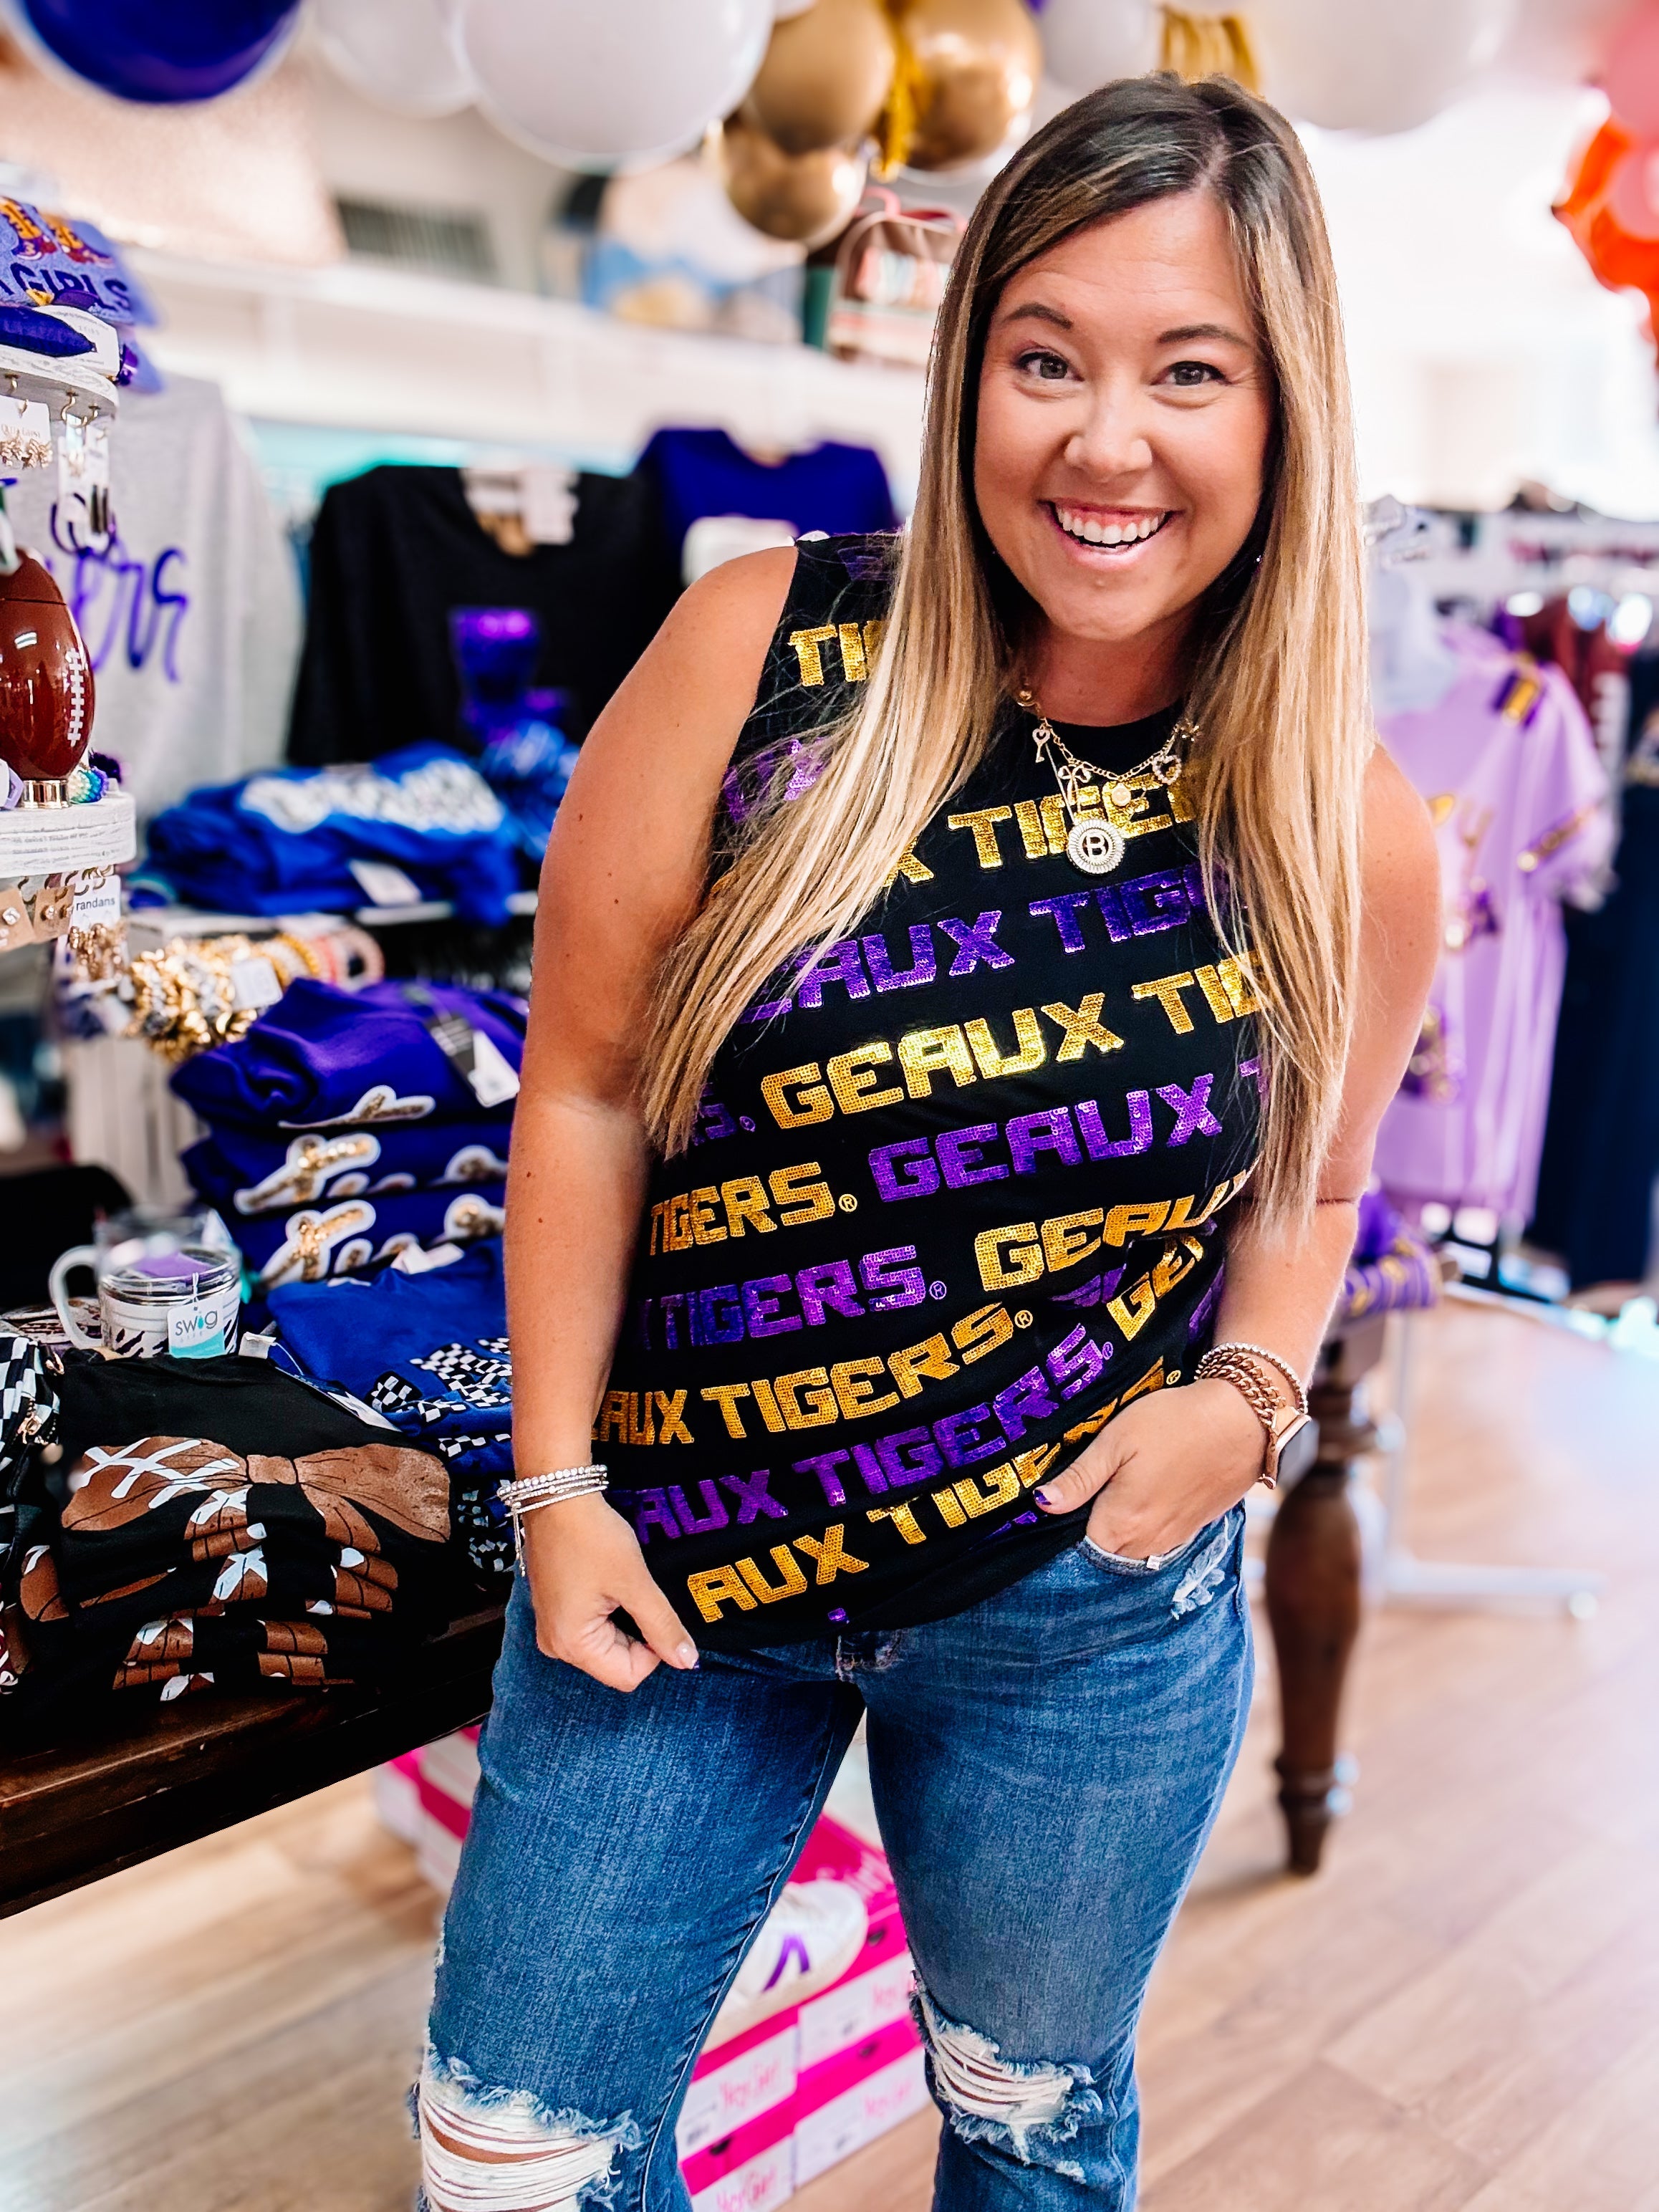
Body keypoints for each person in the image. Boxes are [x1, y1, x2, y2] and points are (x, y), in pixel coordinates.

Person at [416, 73, 1438, 2212]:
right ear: (968, 366)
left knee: (1031, 2130)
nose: (1102, 438)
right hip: (672, 1572)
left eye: (1188, 371)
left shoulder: (1341, 818)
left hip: (1082, 1605)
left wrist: (1246, 1402)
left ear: (1282, 411)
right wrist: (556, 1484)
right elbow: (587, 1088)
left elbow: (1311, 1183)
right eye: (1042, 355)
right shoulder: (759, 644)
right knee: (511, 2156)